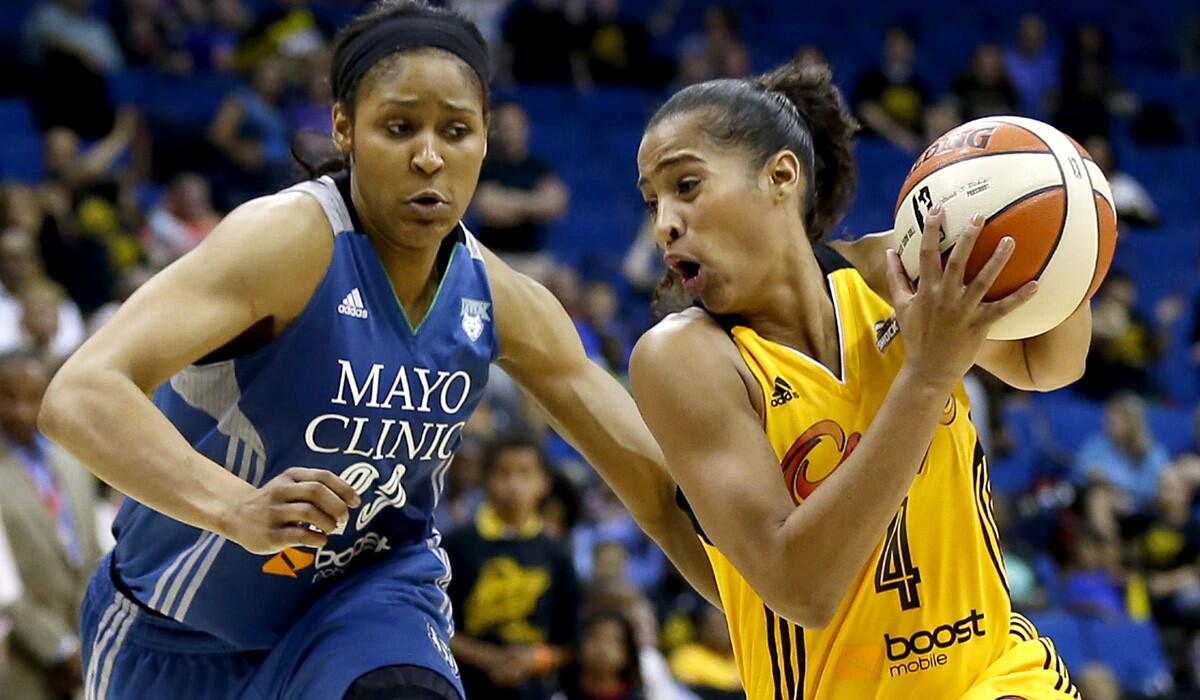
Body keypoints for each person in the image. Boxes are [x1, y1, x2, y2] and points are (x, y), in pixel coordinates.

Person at [39, 3, 715, 699]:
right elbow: (80, 396)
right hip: (178, 632)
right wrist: (234, 507)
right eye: (399, 127)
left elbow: (661, 493)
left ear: (485, 141)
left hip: (364, 604)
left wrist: (785, 611)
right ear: (344, 128)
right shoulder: (288, 242)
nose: (429, 156)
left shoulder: (502, 298)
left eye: (456, 130)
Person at [630, 56, 1092, 698]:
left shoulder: (891, 271)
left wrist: (1063, 226)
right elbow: (802, 587)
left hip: (1001, 675)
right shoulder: (685, 359)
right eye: (652, 202)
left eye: (686, 187)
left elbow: (1049, 362)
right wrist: (926, 378)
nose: (664, 224)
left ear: (781, 176)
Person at [443, 436, 580, 700]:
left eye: (525, 473)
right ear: (485, 480)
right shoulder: (456, 545)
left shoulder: (557, 552)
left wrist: (535, 659)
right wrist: (490, 658)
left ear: (544, 482)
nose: (514, 484)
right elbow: (436, 624)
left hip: (535, 689)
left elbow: (572, 639)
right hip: (466, 685)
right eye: (503, 473)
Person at [0, 350, 101, 700]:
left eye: (32, 397)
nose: (21, 410)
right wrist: (58, 648)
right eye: (7, 397)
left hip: (85, 654)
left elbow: (90, 553)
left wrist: (88, 638)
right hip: (22, 663)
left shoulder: (73, 461)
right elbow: (4, 584)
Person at [471, 101, 569, 276]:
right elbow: (487, 208)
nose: (511, 134)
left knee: (565, 281)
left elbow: (555, 204)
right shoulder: (485, 167)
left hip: (534, 258)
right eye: (506, 127)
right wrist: (534, 205)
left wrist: (508, 203)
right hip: (495, 257)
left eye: (516, 127)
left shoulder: (538, 167)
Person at [852, 25, 931, 154]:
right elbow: (867, 112)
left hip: (912, 149)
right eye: (895, 42)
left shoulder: (920, 85)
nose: (899, 48)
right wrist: (902, 138)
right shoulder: (870, 80)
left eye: (904, 43)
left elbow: (929, 114)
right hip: (875, 148)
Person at [559, 611, 644, 700]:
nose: (603, 648)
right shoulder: (560, 695)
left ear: (628, 653)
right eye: (595, 637)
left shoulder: (637, 696)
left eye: (613, 641)